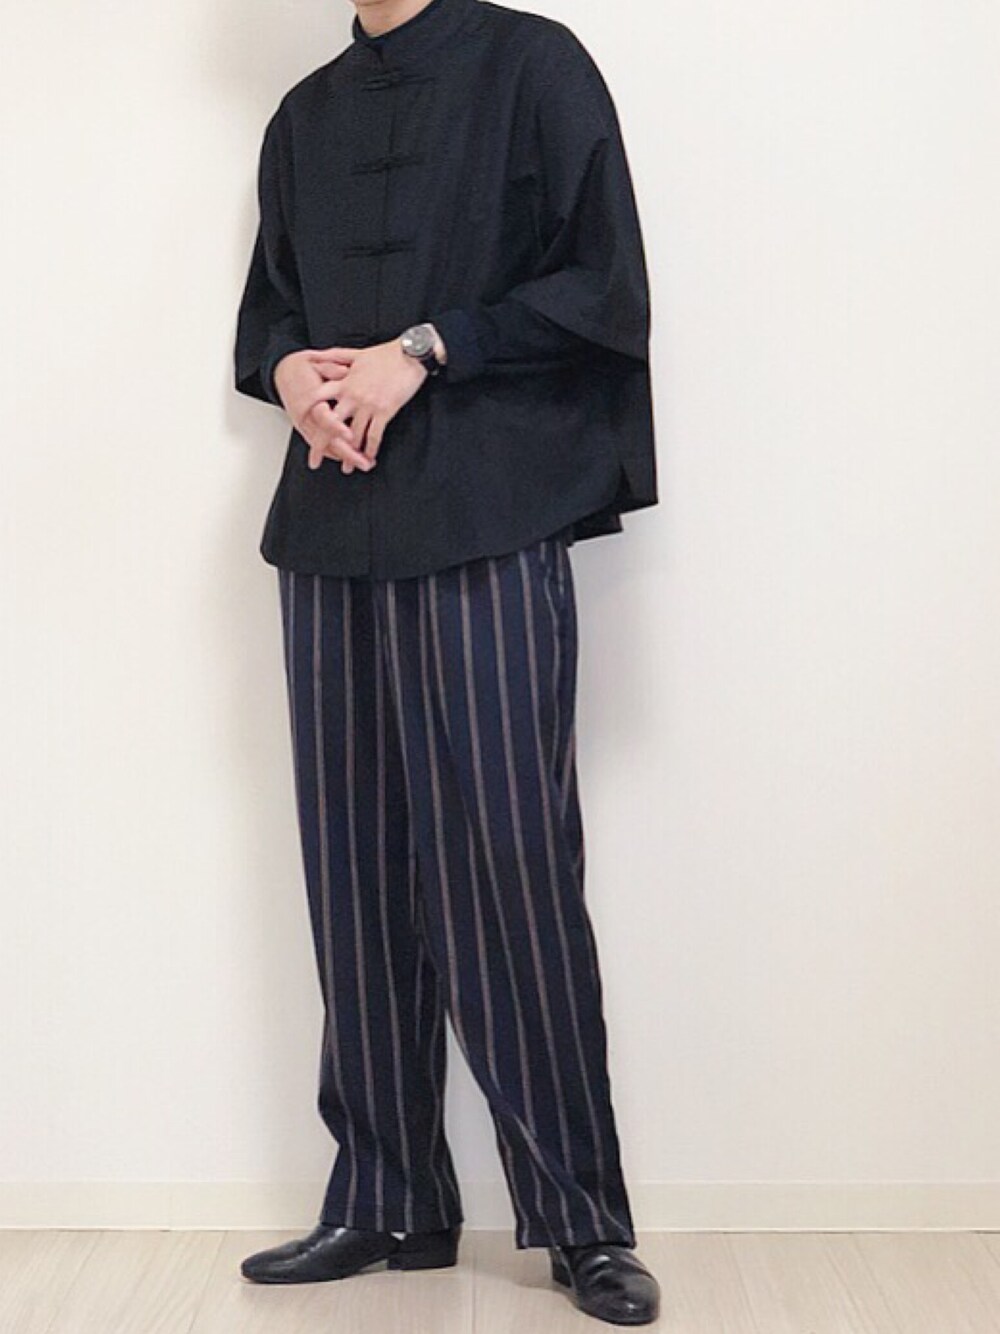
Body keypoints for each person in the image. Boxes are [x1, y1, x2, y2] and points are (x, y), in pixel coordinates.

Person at [232, 0, 660, 1323]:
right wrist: (292, 375)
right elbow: (269, 314)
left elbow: (605, 287)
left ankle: (581, 1219)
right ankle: (386, 1198)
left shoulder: (536, 65)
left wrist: (427, 349)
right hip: (331, 530)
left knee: (508, 866)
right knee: (352, 871)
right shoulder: (302, 115)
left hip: (489, 513)